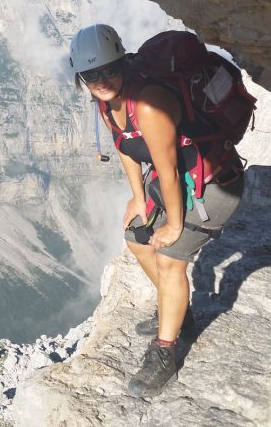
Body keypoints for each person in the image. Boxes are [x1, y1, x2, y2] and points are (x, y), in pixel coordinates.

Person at [69, 23, 245, 397]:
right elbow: (123, 146)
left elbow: (166, 171)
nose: (101, 80)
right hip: (182, 177)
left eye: (108, 70)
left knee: (168, 257)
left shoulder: (148, 103)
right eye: (90, 74)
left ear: (122, 61)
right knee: (136, 236)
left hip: (213, 182)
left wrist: (175, 225)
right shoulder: (105, 103)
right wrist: (137, 198)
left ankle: (166, 351)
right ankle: (178, 312)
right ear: (80, 77)